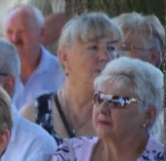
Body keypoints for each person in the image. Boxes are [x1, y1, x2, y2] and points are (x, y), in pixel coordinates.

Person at [21, 12, 120, 145]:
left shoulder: (122, 113)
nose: (105, 56)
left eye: (111, 47)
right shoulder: (35, 115)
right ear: (64, 57)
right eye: (93, 47)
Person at [4, 5, 64, 108]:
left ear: (41, 34)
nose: (15, 38)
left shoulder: (62, 73)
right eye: (10, 32)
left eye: (22, 31)